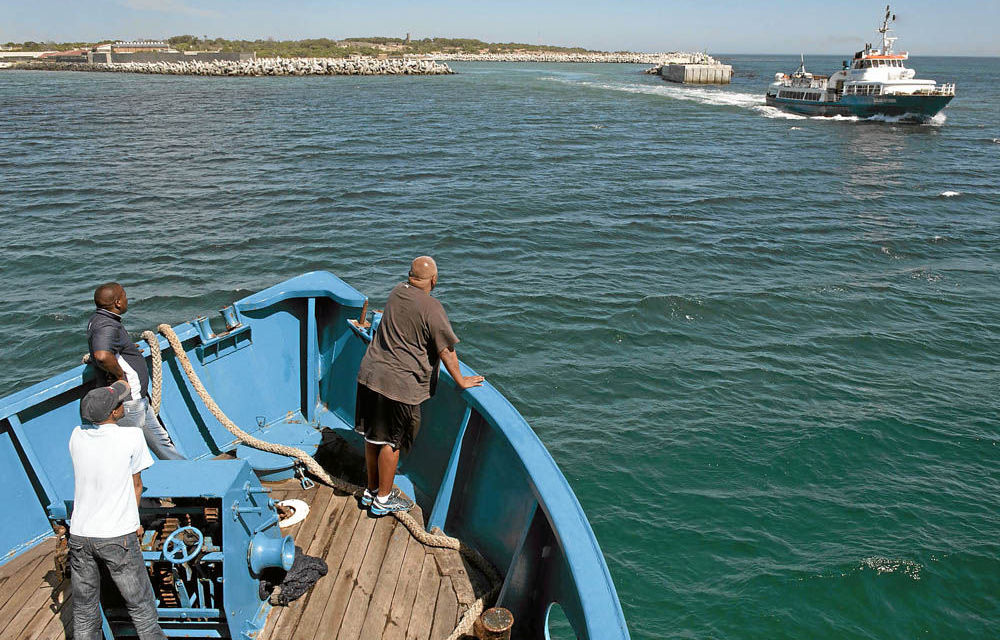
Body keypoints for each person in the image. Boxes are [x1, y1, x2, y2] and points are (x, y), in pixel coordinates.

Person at [355, 256, 484, 516]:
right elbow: (447, 350)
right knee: (392, 443)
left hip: (370, 375)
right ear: (434, 280)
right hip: (398, 385)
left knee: (372, 436)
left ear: (409, 275)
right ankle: (383, 498)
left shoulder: (395, 292)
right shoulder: (432, 307)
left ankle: (371, 490)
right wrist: (461, 380)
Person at [69, 380, 165, 640]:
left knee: (84, 610)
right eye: (119, 403)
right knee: (141, 606)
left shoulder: (76, 436)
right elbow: (136, 485)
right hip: (116, 536)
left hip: (79, 535)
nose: (123, 404)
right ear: (113, 413)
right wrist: (134, 522)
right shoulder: (131, 436)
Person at [87, 282, 184, 460]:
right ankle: (134, 487)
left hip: (138, 399)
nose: (127, 299)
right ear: (117, 302)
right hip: (128, 402)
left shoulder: (99, 319)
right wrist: (119, 375)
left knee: (162, 442)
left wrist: (128, 350)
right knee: (130, 454)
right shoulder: (107, 325)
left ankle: (187, 475)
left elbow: (109, 351)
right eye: (124, 295)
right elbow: (102, 355)